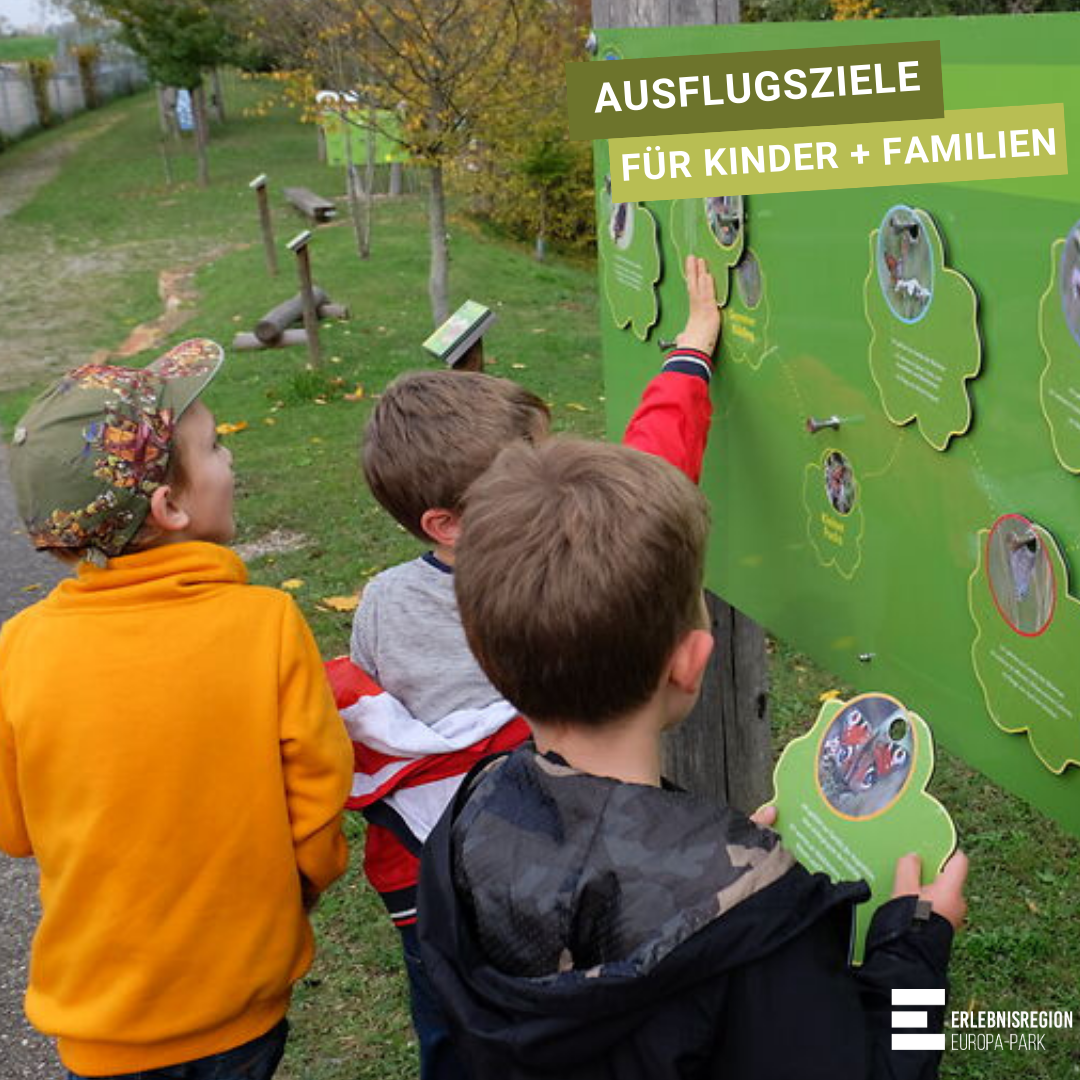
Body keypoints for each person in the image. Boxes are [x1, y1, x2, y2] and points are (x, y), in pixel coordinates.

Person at [418, 434, 968, 1080]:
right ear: (690, 662)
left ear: (482, 652)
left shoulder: (464, 822)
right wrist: (914, 957)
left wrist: (712, 860)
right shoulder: (757, 942)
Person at [333, 257, 723, 1079]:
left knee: (458, 1025)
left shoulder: (379, 604)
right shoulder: (573, 571)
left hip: (439, 887)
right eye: (526, 477)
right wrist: (688, 356)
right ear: (447, 523)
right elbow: (651, 477)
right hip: (560, 875)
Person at [0, 340, 354, 1080]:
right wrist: (296, 893)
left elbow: (15, 829)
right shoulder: (265, 625)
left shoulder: (17, 649)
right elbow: (318, 798)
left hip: (96, 1021)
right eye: (215, 447)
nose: (230, 461)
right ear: (171, 506)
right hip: (240, 1005)